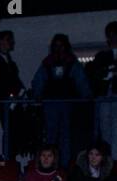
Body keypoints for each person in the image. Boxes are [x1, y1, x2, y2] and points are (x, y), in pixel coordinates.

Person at [31, 33, 92, 165]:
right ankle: (51, 164)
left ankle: (64, 165)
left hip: (67, 104)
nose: (58, 48)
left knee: (66, 136)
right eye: (56, 45)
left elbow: (81, 80)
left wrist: (86, 95)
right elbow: (38, 81)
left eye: (61, 45)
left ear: (66, 47)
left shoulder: (71, 62)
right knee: (51, 136)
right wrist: (37, 95)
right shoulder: (47, 62)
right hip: (51, 104)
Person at [88, 21, 117, 156]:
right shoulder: (102, 54)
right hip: (103, 94)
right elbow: (97, 73)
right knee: (104, 128)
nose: (112, 37)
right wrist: (110, 71)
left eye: (114, 34)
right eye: (109, 35)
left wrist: (109, 70)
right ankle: (106, 159)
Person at [0, 30, 25, 159]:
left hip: (12, 101)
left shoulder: (9, 61)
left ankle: (10, 156)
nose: (12, 42)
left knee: (13, 129)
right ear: (1, 41)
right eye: (9, 39)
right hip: (4, 101)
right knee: (8, 129)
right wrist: (9, 94)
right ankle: (7, 157)